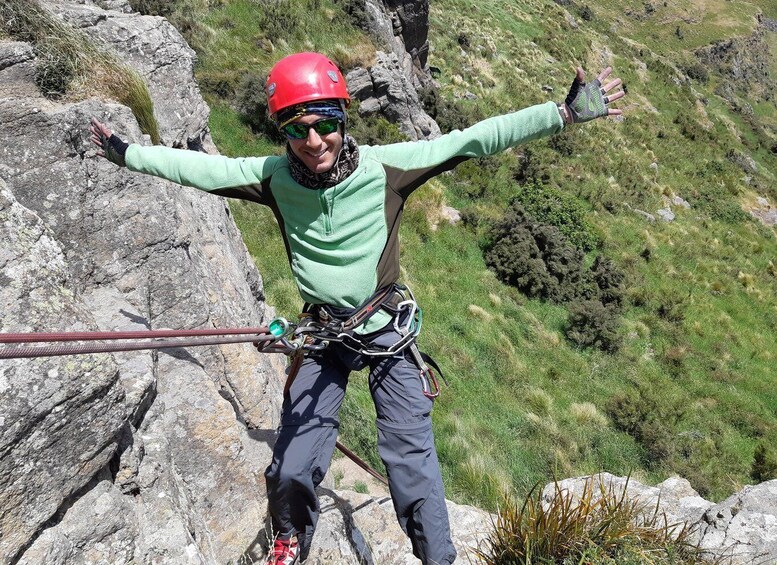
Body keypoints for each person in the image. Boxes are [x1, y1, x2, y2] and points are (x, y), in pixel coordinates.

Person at [90, 51, 625, 565]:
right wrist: (127, 153)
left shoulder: (386, 167)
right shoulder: (274, 178)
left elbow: (475, 138)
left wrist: (563, 113)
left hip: (387, 333)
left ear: (343, 120)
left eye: (323, 124)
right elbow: (200, 169)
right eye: (297, 130)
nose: (313, 141)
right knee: (292, 466)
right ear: (284, 134)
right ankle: (291, 540)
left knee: (411, 465)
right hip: (324, 337)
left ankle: (438, 559)